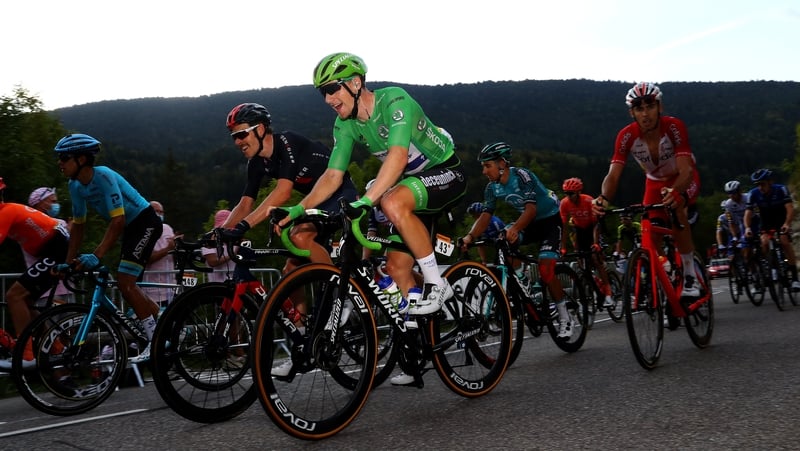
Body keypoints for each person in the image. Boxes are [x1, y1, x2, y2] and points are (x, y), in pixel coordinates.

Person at [280, 52, 466, 317]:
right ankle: (416, 335)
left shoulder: (394, 100)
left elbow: (398, 156)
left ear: (356, 83)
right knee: (395, 267)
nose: (328, 99)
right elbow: (333, 176)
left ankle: (438, 283)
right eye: (323, 92)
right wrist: (299, 209)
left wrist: (366, 201)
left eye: (332, 89)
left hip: (447, 172)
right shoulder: (345, 124)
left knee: (390, 201)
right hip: (413, 187)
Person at [220, 103, 358, 378]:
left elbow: (282, 193)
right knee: (290, 270)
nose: (237, 142)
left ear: (260, 130)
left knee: (300, 236)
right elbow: (245, 203)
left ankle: (339, 294)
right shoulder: (257, 163)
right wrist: (222, 230)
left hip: (340, 192)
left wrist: (245, 226)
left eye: (242, 135)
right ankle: (304, 336)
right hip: (315, 201)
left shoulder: (287, 143)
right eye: (233, 137)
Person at [55, 133, 163, 363]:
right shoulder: (75, 186)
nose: (59, 163)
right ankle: (166, 322)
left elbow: (118, 221)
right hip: (130, 229)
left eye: (64, 158)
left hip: (145, 222)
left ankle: (155, 341)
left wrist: (96, 255)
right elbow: (78, 227)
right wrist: (68, 259)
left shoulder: (102, 176)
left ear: (82, 159)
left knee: (125, 283)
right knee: (128, 284)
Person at [593, 82, 701, 298]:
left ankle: (690, 273)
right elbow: (613, 174)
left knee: (677, 207)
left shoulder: (673, 127)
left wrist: (676, 191)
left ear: (659, 107)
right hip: (654, 183)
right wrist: (604, 198)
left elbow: (685, 170)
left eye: (650, 106)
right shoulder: (626, 136)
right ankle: (666, 267)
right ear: (632, 112)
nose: (645, 113)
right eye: (639, 108)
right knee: (649, 232)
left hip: (682, 177)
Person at [460, 142, 575, 338]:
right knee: (504, 241)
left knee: (546, 269)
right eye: (483, 166)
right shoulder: (492, 188)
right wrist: (470, 237)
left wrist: (514, 228)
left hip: (549, 221)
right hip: (528, 222)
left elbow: (531, 209)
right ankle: (523, 281)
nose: (484, 171)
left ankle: (565, 317)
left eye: (487, 166)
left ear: (502, 164)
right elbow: (485, 216)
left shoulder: (523, 176)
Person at [0, 178, 70, 369]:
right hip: (52, 249)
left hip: (55, 249)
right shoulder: (8, 210)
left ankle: (27, 354)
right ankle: (55, 347)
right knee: (26, 302)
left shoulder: (5, 212)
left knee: (14, 296)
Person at [559, 177, 614, 307]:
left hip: (593, 228)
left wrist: (595, 243)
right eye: (566, 193)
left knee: (595, 258)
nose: (568, 196)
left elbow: (596, 225)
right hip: (579, 230)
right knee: (582, 263)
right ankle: (594, 286)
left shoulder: (588, 200)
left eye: (571, 193)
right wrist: (562, 247)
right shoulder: (564, 203)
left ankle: (608, 293)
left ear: (578, 192)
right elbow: (564, 226)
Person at [744, 169, 800, 290]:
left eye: (762, 184)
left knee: (785, 242)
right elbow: (748, 213)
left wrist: (787, 224)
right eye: (757, 185)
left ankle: (795, 278)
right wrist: (747, 227)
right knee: (764, 243)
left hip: (781, 220)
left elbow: (790, 209)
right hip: (766, 222)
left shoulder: (781, 189)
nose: (760, 187)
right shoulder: (753, 193)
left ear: (770, 182)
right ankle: (773, 266)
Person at [26, 186, 74, 305]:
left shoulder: (27, 223)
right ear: (40, 203)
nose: (56, 205)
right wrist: (70, 231)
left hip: (62, 286)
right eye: (53, 201)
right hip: (49, 287)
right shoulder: (56, 224)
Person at [142, 201, 178, 306]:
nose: (159, 214)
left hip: (170, 287)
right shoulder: (143, 230)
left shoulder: (167, 228)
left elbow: (172, 251)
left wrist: (177, 246)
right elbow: (147, 258)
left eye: (161, 212)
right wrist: (168, 249)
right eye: (156, 212)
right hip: (152, 290)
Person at [202, 209, 234, 282]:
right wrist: (233, 255)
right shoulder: (209, 239)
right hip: (217, 286)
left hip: (236, 284)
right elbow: (212, 262)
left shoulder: (234, 239)